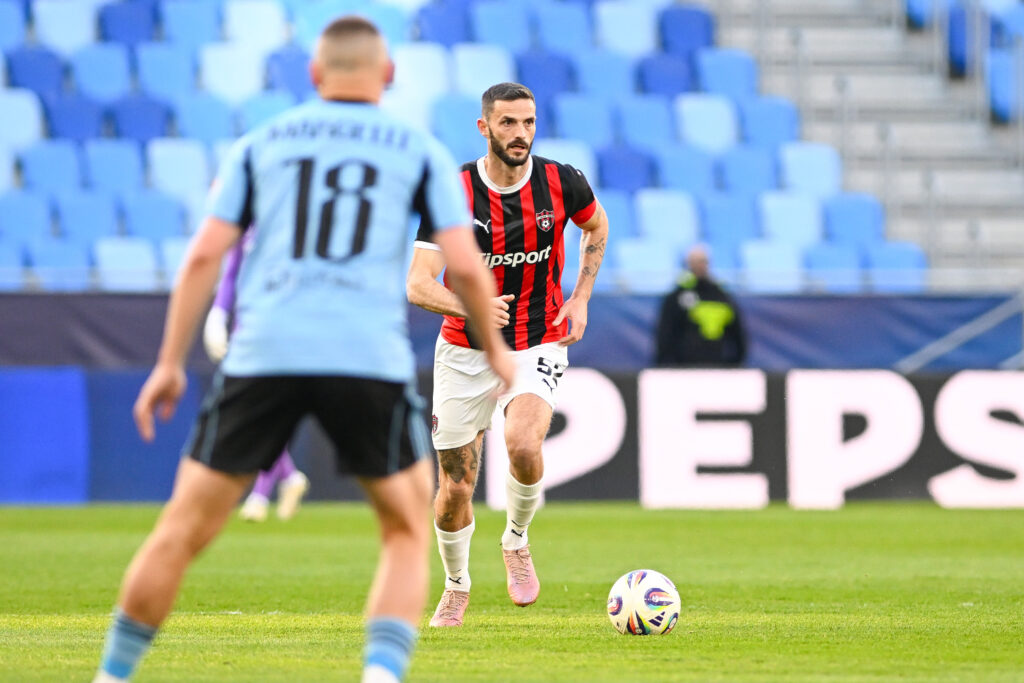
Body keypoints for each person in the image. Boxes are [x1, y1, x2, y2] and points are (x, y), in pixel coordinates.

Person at [92, 17, 513, 683]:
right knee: (405, 528)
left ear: (315, 76)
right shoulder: (419, 151)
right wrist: (500, 352)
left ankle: (111, 675)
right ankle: (380, 675)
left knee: (180, 529)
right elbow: (463, 265)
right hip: (364, 356)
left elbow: (204, 255)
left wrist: (169, 362)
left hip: (265, 352)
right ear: (389, 75)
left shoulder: (261, 144)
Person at [406, 82, 609, 627]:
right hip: (464, 349)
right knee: (455, 488)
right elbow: (418, 284)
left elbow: (596, 225)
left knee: (523, 442)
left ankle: (516, 540)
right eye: (508, 123)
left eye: (529, 122)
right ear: (484, 127)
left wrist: (581, 297)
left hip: (537, 337)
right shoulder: (451, 194)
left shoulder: (562, 181)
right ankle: (456, 585)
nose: (521, 134)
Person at [203, 238, 310, 522]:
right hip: (247, 335)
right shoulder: (246, 224)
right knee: (255, 415)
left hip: (283, 331)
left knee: (268, 414)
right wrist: (218, 313)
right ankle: (287, 478)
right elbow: (231, 273)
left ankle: (262, 495)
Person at [654, 244, 747, 367]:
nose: (699, 266)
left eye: (703, 261)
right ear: (688, 264)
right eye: (695, 262)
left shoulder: (721, 296)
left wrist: (734, 363)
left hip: (717, 367)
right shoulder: (676, 297)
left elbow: (738, 333)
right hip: (684, 368)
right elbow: (665, 333)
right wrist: (667, 364)